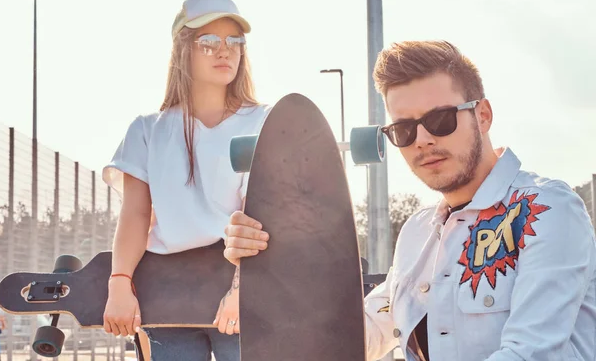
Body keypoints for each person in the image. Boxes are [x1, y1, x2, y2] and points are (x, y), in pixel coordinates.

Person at [222, 40, 596, 361]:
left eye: (441, 120)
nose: (422, 140)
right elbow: (354, 335)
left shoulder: (547, 211)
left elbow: (531, 352)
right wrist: (273, 260)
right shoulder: (418, 233)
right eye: (403, 129)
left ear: (483, 115)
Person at [101, 0, 270, 361]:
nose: (224, 51)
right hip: (166, 291)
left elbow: (259, 214)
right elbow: (135, 215)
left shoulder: (264, 121)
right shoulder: (148, 130)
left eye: (234, 41)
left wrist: (245, 290)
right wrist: (120, 283)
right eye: (208, 41)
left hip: (240, 290)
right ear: (183, 49)